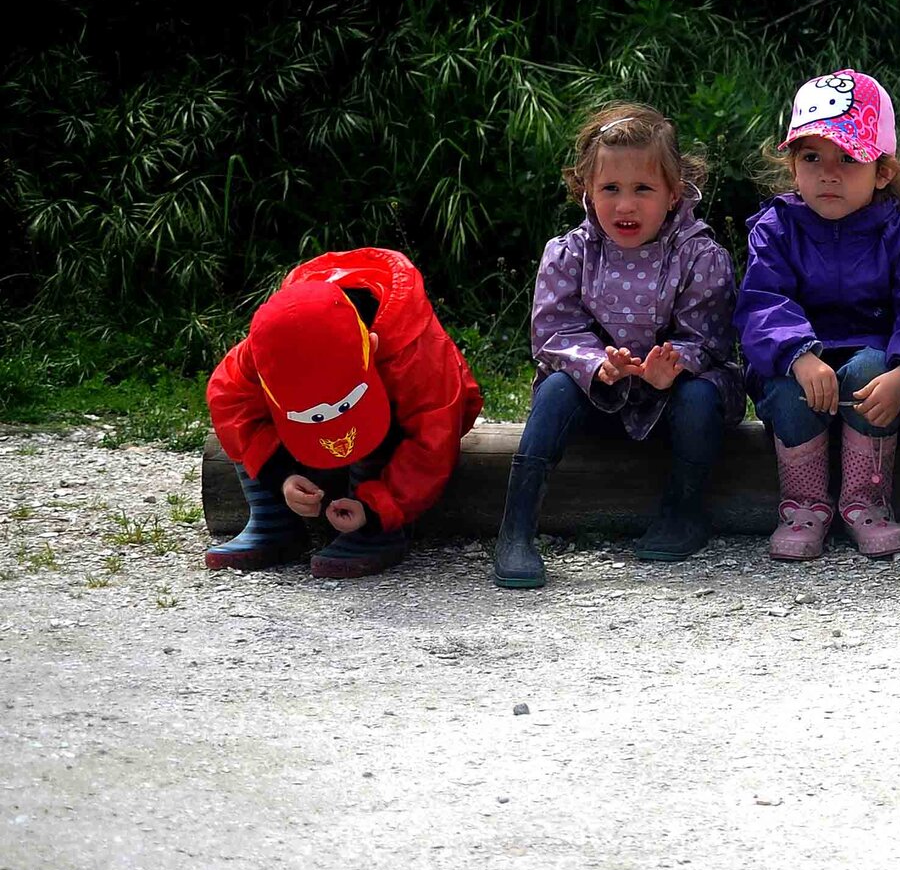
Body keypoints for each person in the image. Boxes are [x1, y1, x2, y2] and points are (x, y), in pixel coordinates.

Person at [492, 104, 739, 588]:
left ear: (673, 194)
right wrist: (597, 365)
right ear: (587, 190)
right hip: (598, 392)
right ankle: (516, 528)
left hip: (670, 392)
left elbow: (708, 334)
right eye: (610, 189)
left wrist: (674, 365)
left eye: (642, 189)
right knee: (558, 389)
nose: (625, 206)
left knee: (701, 396)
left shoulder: (699, 254)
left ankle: (683, 512)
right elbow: (554, 331)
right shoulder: (570, 252)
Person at [739, 70, 900, 561]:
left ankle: (867, 503)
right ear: (793, 165)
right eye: (812, 157)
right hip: (801, 370)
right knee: (787, 383)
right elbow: (762, 302)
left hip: (874, 369)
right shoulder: (775, 229)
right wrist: (798, 353)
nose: (829, 173)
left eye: (849, 158)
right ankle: (804, 507)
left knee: (870, 369)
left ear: (882, 172)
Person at [204, 248, 482, 578]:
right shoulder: (268, 346)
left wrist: (375, 508)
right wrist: (279, 478)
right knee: (243, 408)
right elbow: (229, 399)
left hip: (397, 423)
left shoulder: (419, 357)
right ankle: (273, 521)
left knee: (403, 410)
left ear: (374, 345)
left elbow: (435, 436)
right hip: (306, 441)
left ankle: (379, 534)